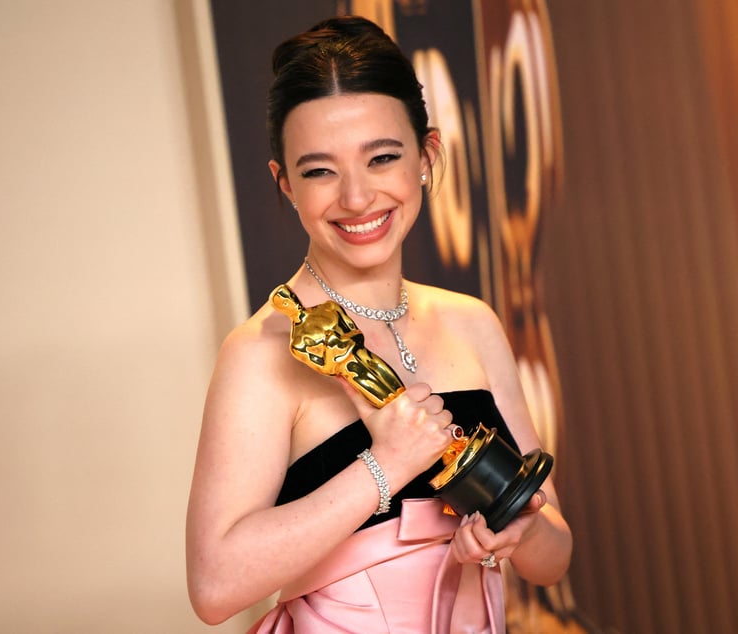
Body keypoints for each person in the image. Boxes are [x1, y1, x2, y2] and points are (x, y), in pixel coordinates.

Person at [186, 15, 572, 633]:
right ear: (283, 184)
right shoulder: (261, 351)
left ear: (426, 156)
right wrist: (385, 466)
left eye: (382, 157)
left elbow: (554, 556)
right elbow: (213, 586)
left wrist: (515, 532)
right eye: (319, 171)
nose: (358, 197)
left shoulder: (471, 322)